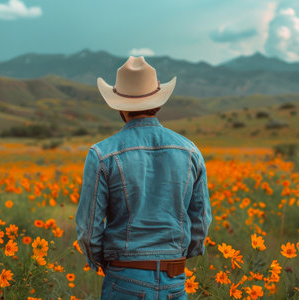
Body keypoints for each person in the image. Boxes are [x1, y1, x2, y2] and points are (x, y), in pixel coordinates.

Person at [75, 56, 212, 300]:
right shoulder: (190, 150)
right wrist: (175, 256)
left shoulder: (102, 154)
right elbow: (201, 221)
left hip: (124, 278)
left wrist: (110, 264)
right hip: (175, 281)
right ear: (158, 102)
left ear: (119, 105)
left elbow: (88, 231)